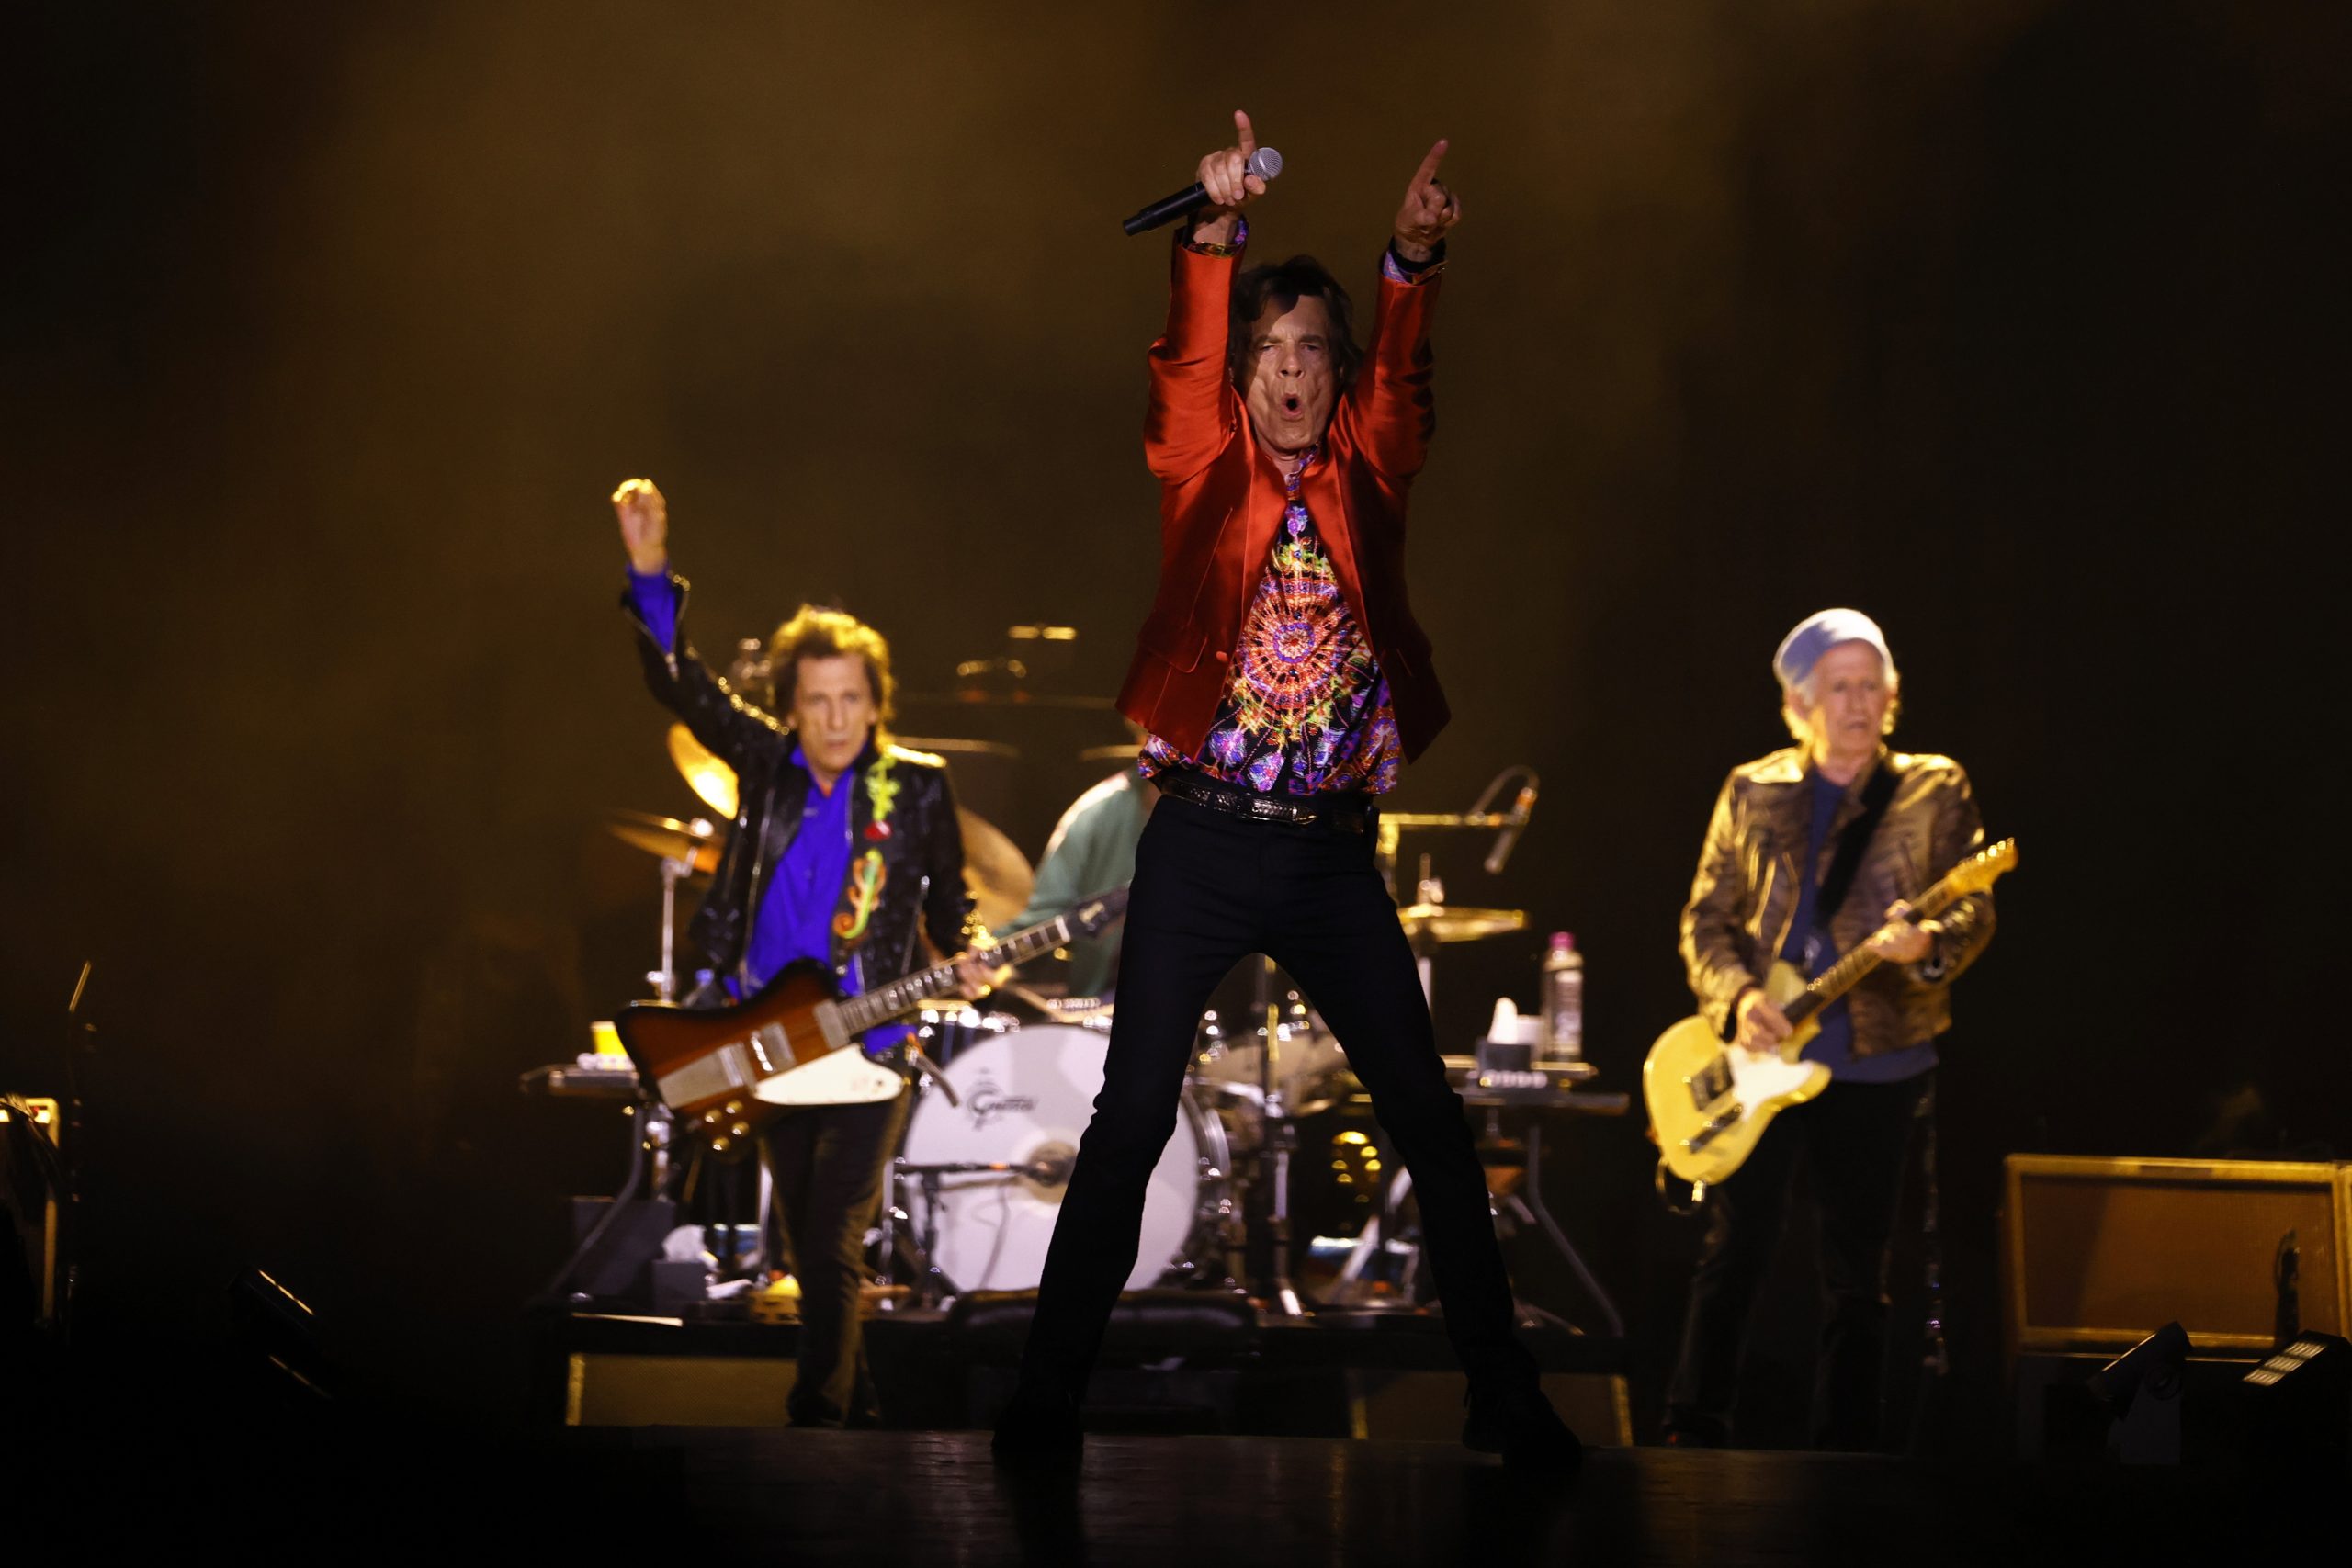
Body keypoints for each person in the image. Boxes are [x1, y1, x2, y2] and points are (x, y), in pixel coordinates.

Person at [994, 113, 1578, 1468]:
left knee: (1431, 1120)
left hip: (1325, 859)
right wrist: (1211, 237)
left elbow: (1410, 378)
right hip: (1200, 845)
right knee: (1129, 1117)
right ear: (1243, 374)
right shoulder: (1202, 464)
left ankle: (1507, 1395)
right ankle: (1045, 1398)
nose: (1293, 372)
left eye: (1316, 349)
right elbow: (1180, 363)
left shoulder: (1374, 470)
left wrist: (1410, 259)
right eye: (1270, 351)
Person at [612, 477, 990, 1427]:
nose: (832, 717)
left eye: (849, 699)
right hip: (767, 1042)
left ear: (875, 703)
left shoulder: (918, 791)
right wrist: (650, 575)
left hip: (868, 1052)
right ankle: (857, 1427)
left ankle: (813, 1424)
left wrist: (974, 951)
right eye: (815, 701)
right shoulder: (764, 764)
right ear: (791, 705)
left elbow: (956, 903)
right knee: (812, 1252)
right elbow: (680, 685)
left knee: (828, 1247)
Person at [1663, 608, 1996, 1450]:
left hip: (1882, 1060)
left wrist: (1927, 946)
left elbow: (1974, 907)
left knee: (1861, 1276)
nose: (1858, 702)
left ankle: (1850, 1459)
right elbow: (1707, 916)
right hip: (1764, 1055)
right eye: (1839, 687)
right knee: (1735, 1251)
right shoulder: (1752, 788)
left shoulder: (1934, 787)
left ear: (1892, 697)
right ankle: (1691, 1432)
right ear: (1798, 705)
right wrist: (1739, 1000)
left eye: (1871, 685)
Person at [1008, 755, 1156, 1001]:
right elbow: (1040, 919)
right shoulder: (1097, 811)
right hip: (1104, 1006)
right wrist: (980, 951)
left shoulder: (1233, 811)